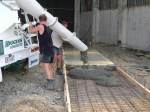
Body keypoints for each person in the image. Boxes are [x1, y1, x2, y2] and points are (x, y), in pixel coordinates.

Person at [29, 14, 55, 90]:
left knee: (46, 67)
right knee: (49, 66)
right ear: (46, 20)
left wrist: (30, 23)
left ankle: (50, 85)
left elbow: (31, 31)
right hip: (50, 49)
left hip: (46, 50)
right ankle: (52, 81)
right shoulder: (47, 27)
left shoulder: (40, 26)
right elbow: (40, 34)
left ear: (40, 20)